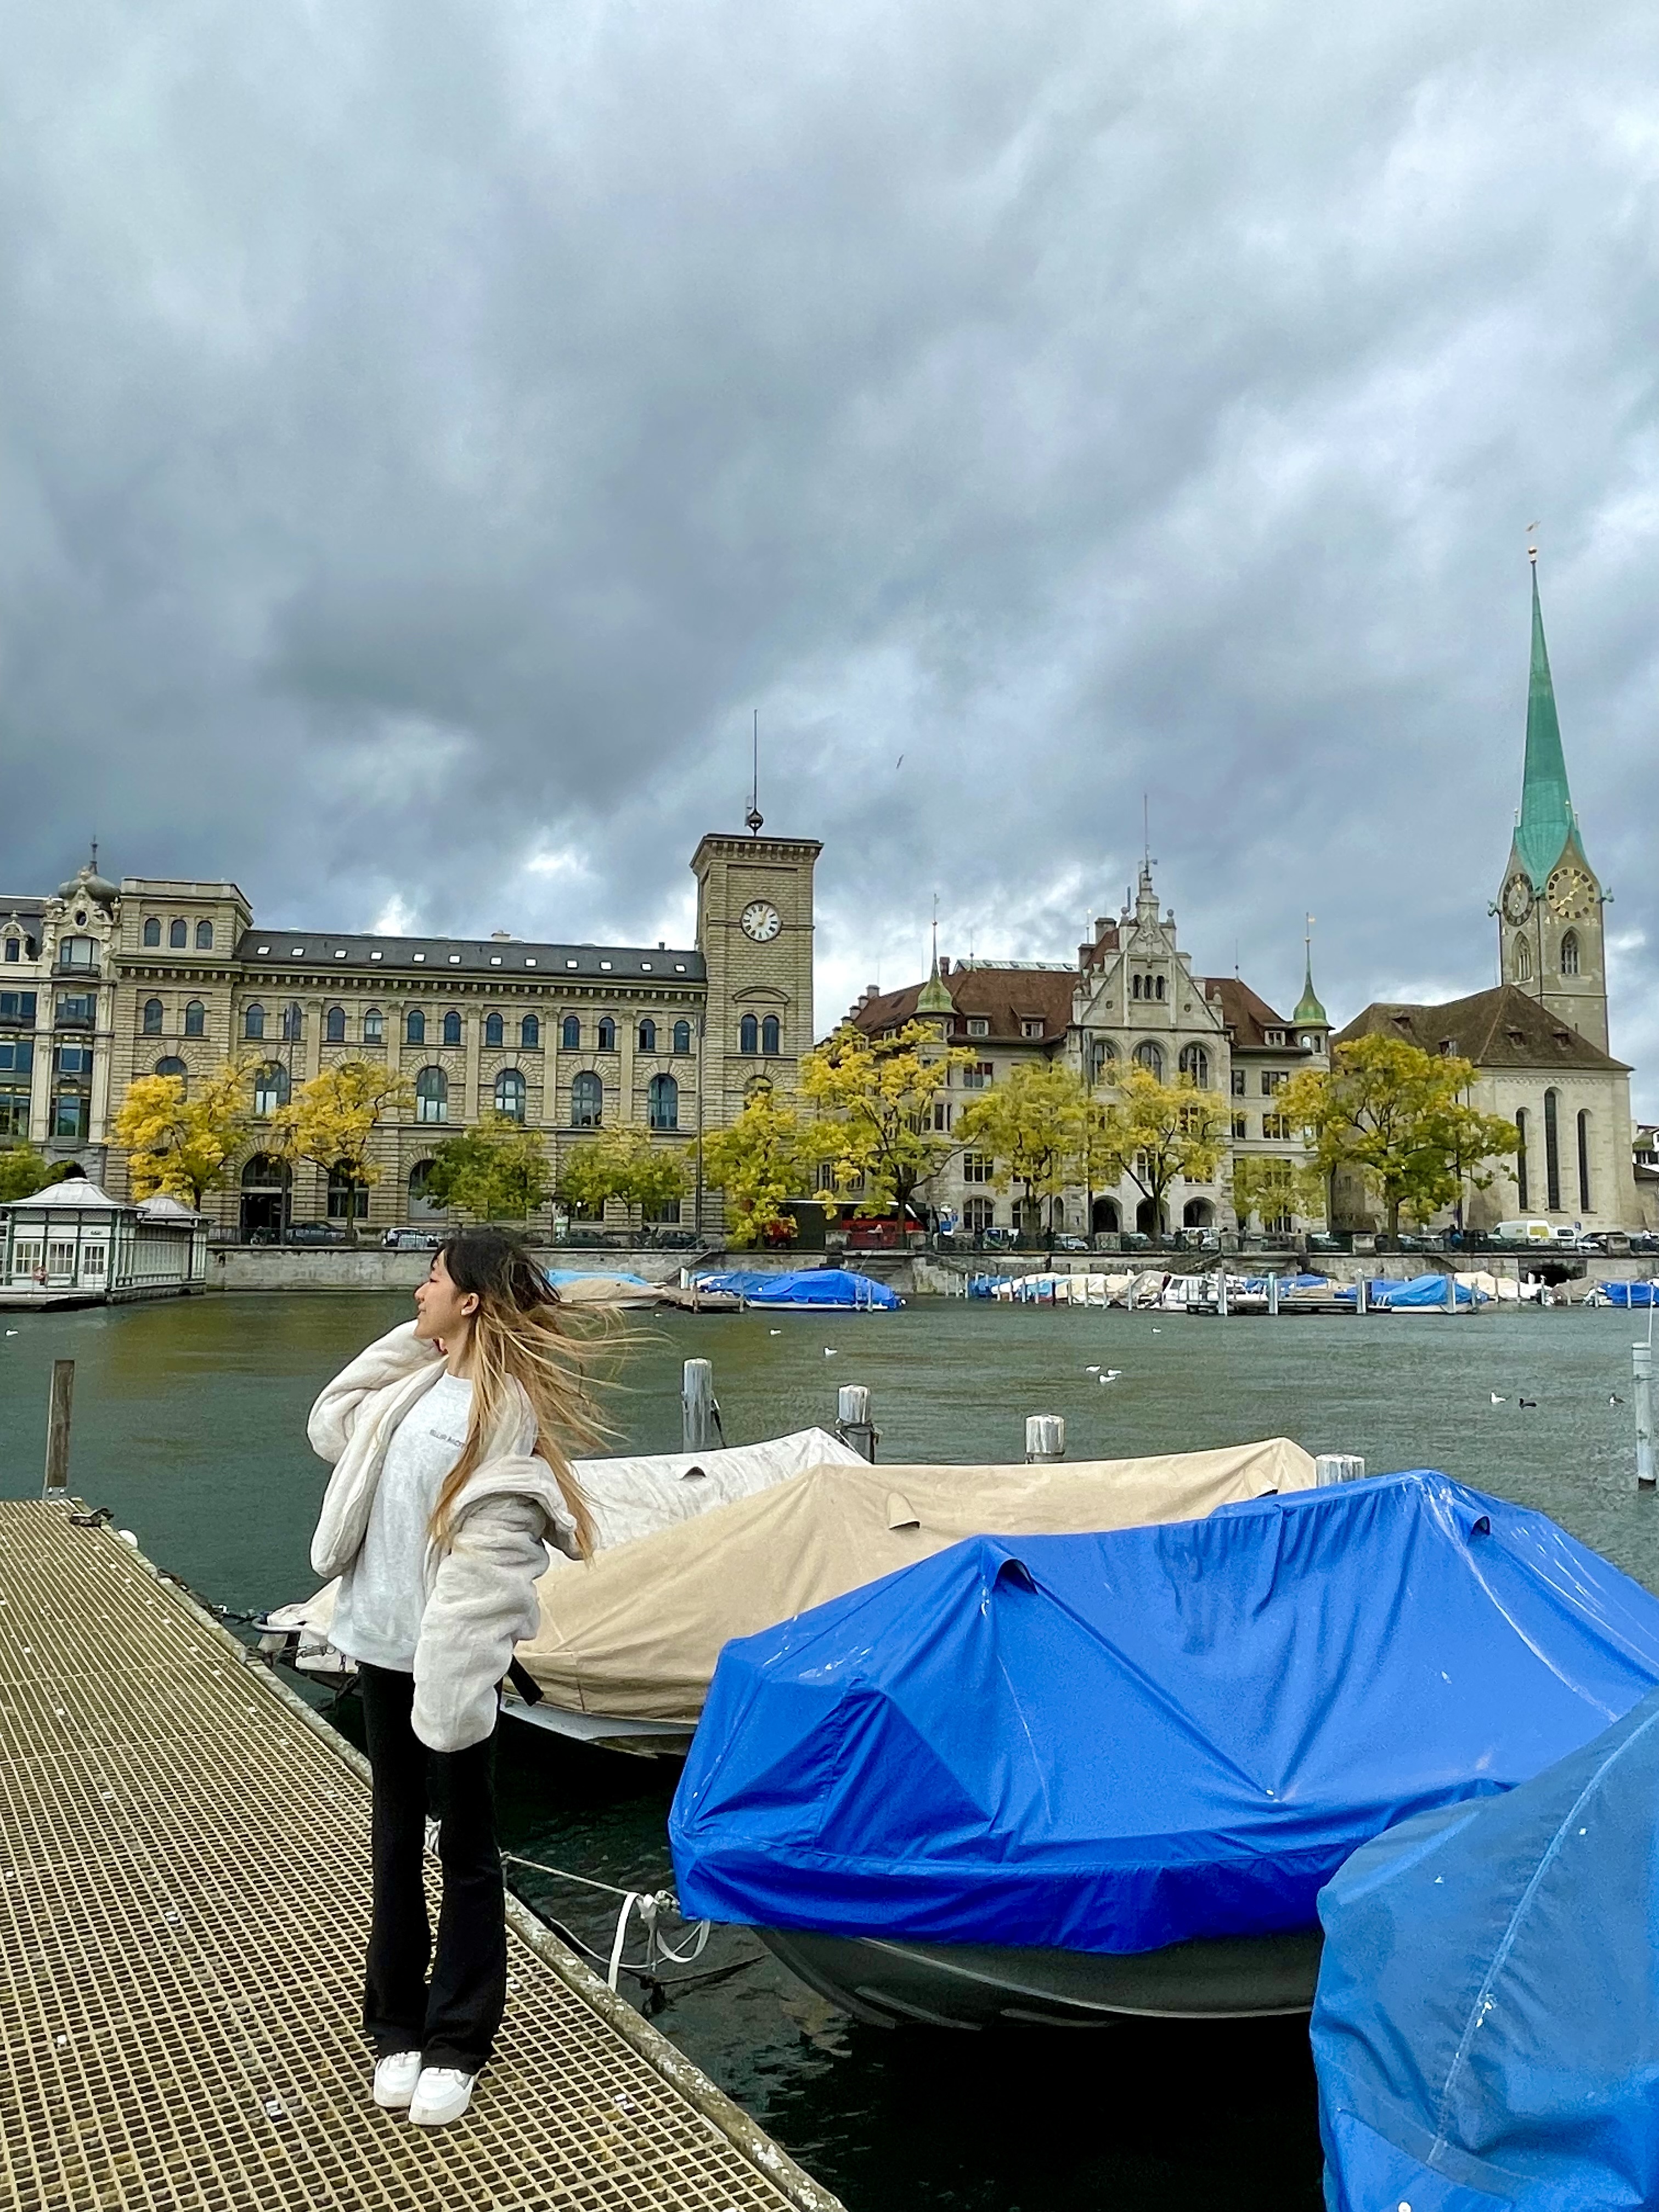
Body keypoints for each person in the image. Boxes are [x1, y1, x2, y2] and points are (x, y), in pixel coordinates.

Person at [306, 1229, 601, 2128]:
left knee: (468, 1847)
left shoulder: (504, 1410)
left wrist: (460, 1679)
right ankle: (394, 2022)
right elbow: (331, 1420)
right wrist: (424, 1338)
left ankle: (458, 2038)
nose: (416, 1289)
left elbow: (499, 1550)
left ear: (470, 1297)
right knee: (394, 1836)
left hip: (451, 1663)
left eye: (431, 1280)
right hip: (378, 1640)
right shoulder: (414, 1385)